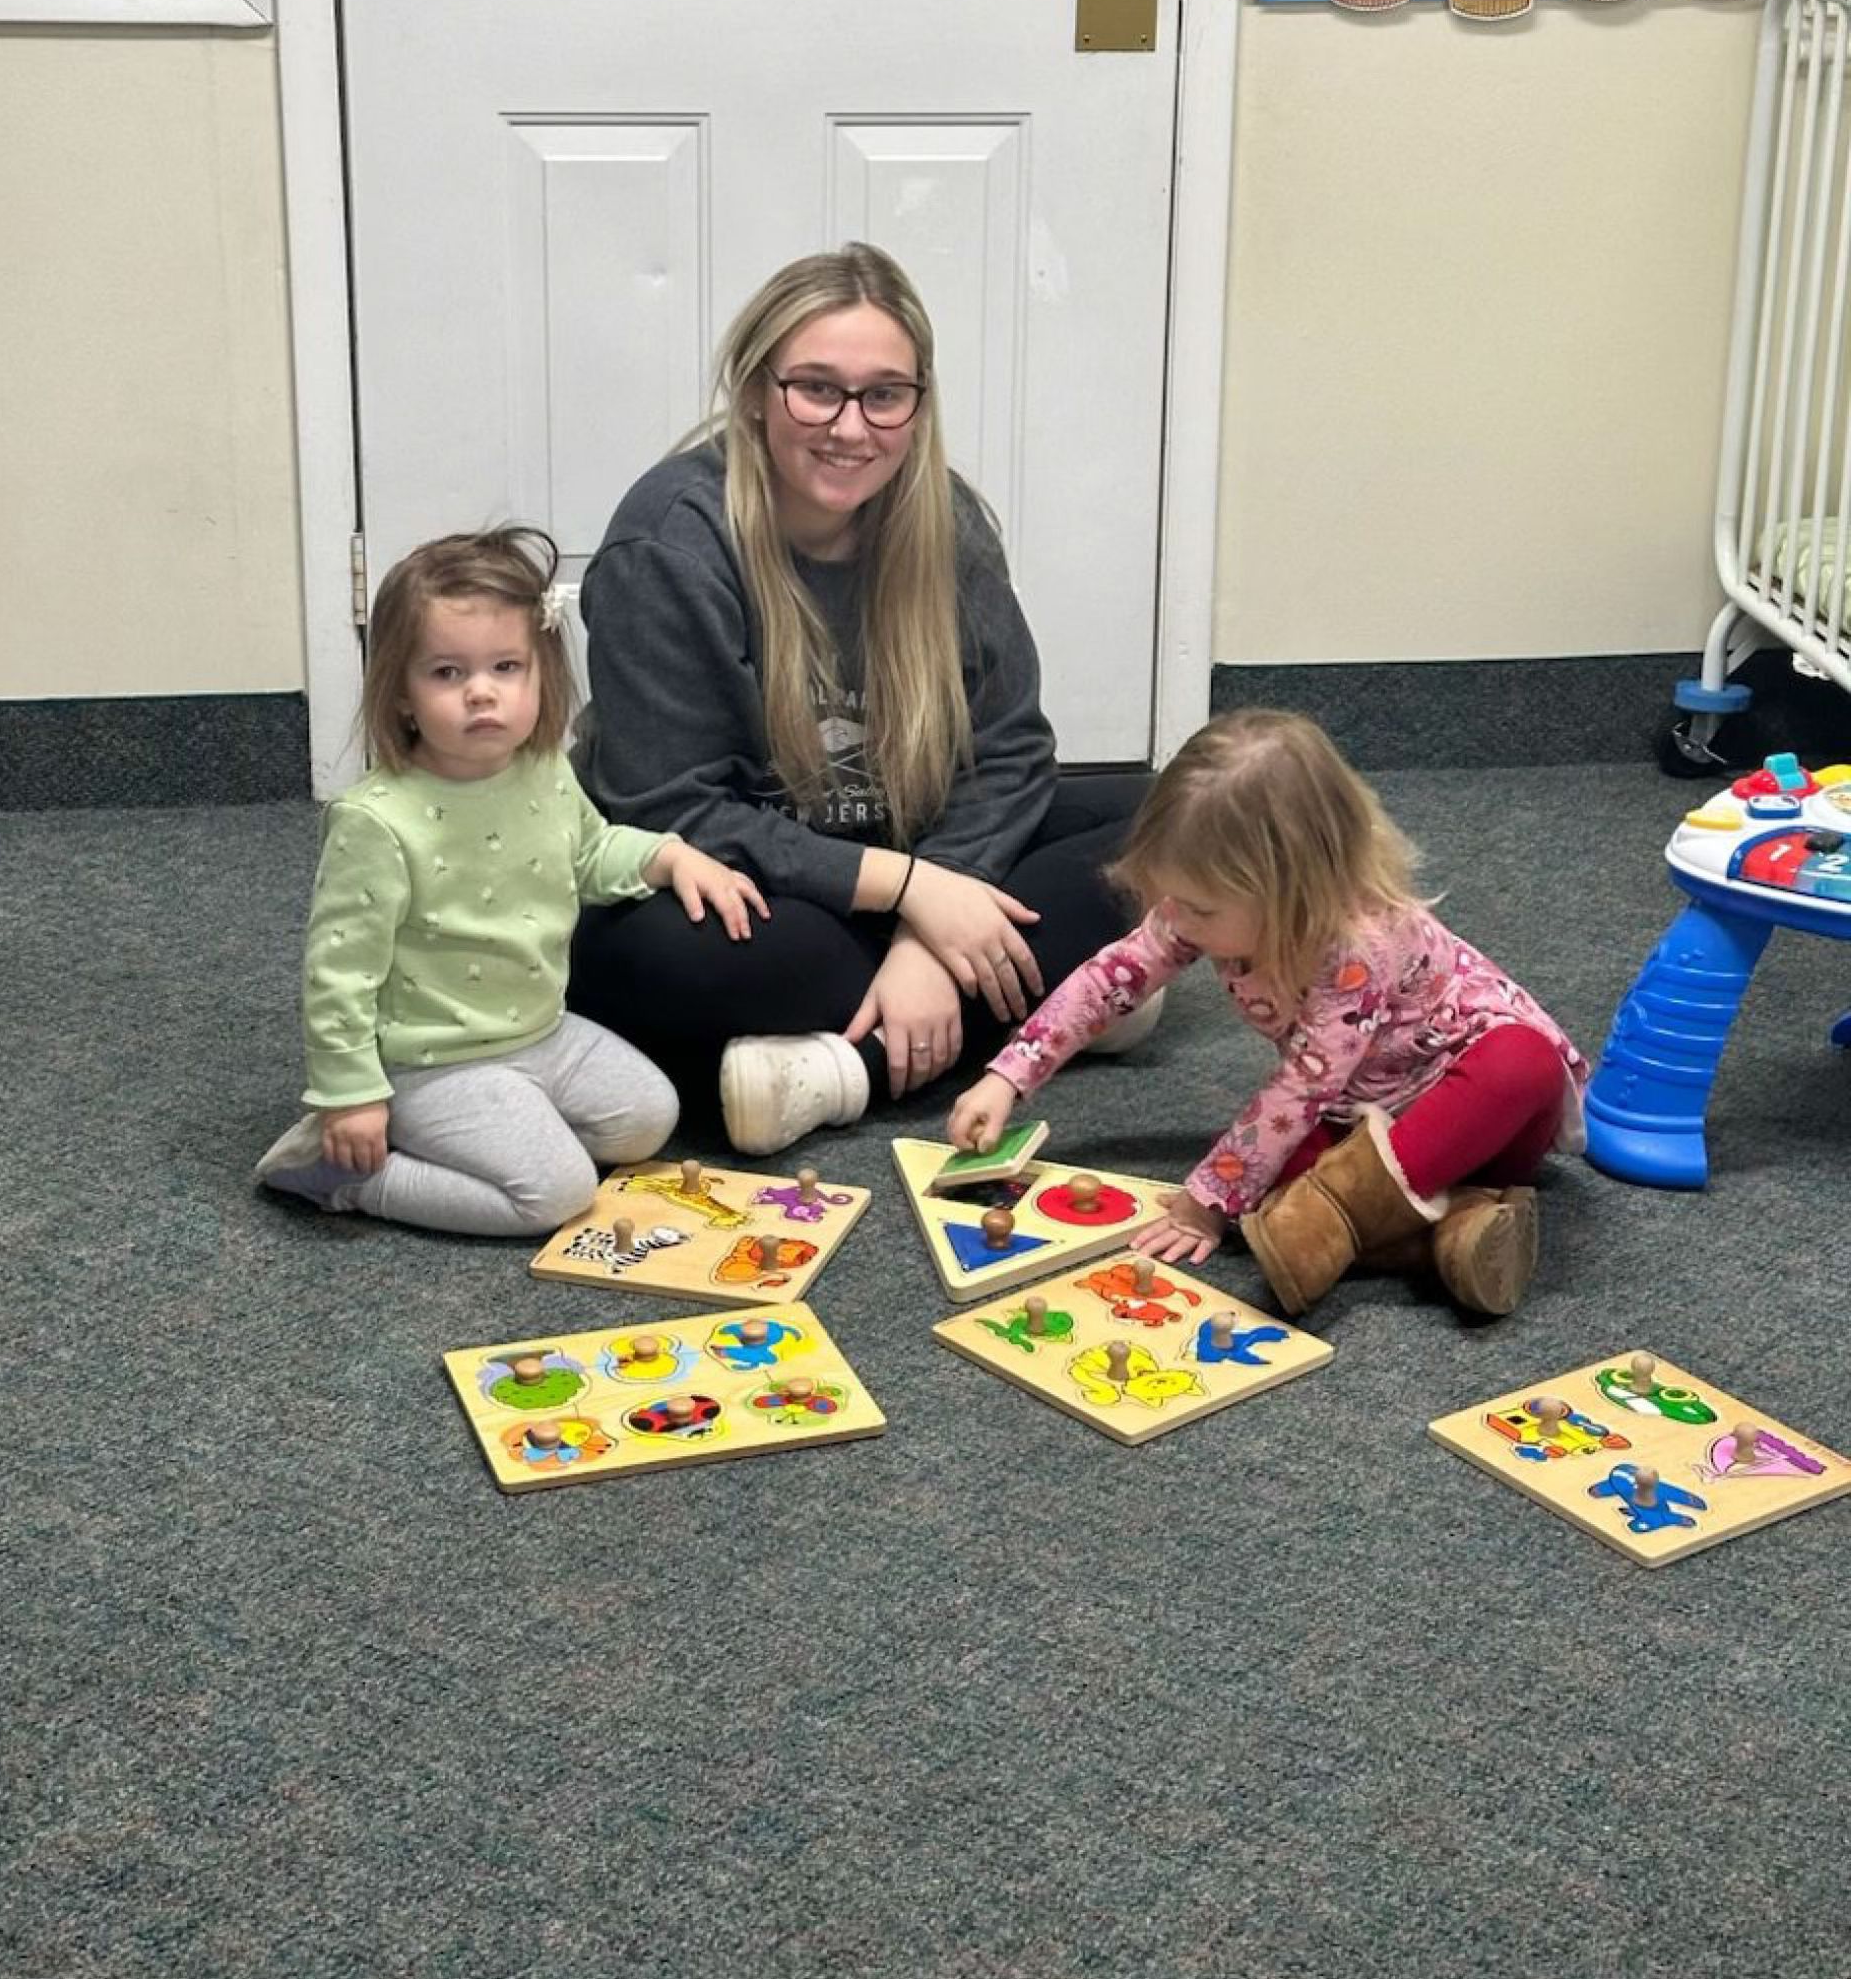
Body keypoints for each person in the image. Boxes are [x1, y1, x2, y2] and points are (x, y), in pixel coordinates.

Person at [570, 241, 1153, 1157]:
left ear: (918, 406)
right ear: (756, 389)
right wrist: (917, 893)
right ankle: (1060, 1001)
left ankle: (848, 1068)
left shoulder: (944, 518)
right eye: (816, 388)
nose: (851, 425)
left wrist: (931, 934)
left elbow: (1010, 750)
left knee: (1173, 822)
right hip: (743, 884)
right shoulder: (669, 542)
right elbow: (671, 811)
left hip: (905, 852)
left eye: (885, 394)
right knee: (649, 960)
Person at [947, 710, 1589, 1319]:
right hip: (1356, 1116)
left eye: (1199, 908)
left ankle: (1384, 1215)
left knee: (1518, 1062)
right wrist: (1010, 1075)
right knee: (1273, 1191)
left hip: (1474, 1113)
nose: (1176, 917)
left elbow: (1301, 1087)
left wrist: (1207, 1202)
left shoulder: (1360, 943)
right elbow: (1106, 982)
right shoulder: (1195, 906)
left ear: (1292, 893)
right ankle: (1449, 1227)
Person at [255, 527, 764, 1235]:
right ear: (401, 693)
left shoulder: (544, 773)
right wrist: (349, 1095)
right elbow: (338, 973)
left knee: (651, 1116)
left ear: (539, 674)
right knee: (558, 1195)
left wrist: (671, 858)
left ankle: (500, 1130)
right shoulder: (375, 820)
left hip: (540, 1030)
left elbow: (590, 853)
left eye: (505, 666)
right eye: (447, 673)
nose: (482, 693)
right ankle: (350, 1177)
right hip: (428, 1060)